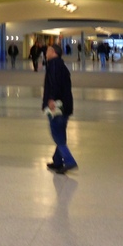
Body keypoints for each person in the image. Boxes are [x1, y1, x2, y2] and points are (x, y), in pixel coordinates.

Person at [42, 45, 77, 174]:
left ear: (53, 52)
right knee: (60, 133)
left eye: (47, 50)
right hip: (66, 104)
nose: (46, 52)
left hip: (58, 106)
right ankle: (57, 161)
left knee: (57, 134)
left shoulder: (54, 65)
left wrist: (51, 99)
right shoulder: (60, 65)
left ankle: (69, 161)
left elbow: (54, 84)